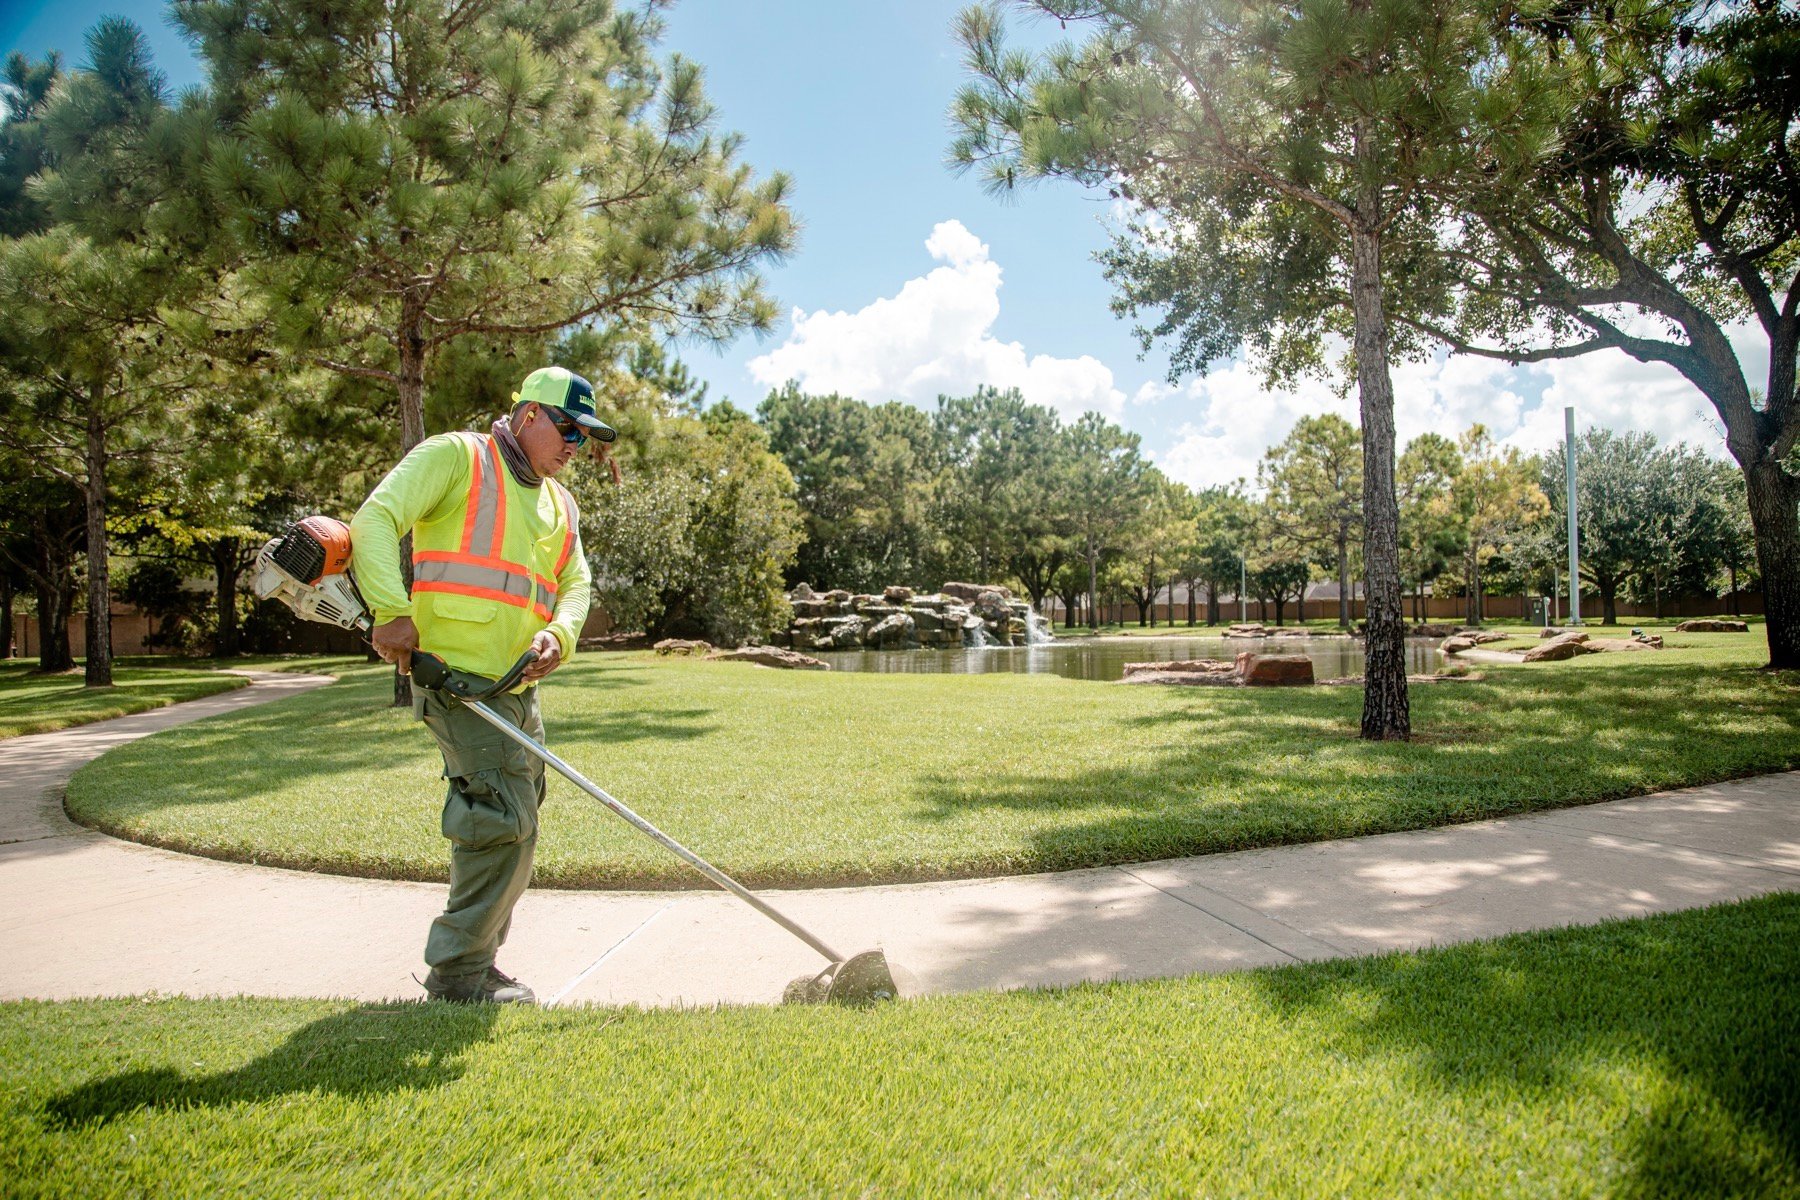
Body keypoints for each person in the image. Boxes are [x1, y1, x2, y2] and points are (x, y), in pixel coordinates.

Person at [350, 366, 617, 1005]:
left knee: (512, 819)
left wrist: (561, 634)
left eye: (584, 438)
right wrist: (391, 609)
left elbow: (575, 583)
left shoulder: (559, 504)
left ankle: (477, 959)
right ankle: (459, 974)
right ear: (528, 414)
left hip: (515, 687)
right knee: (503, 818)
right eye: (567, 429)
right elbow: (376, 520)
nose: (574, 447)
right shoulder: (457, 458)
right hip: (456, 683)